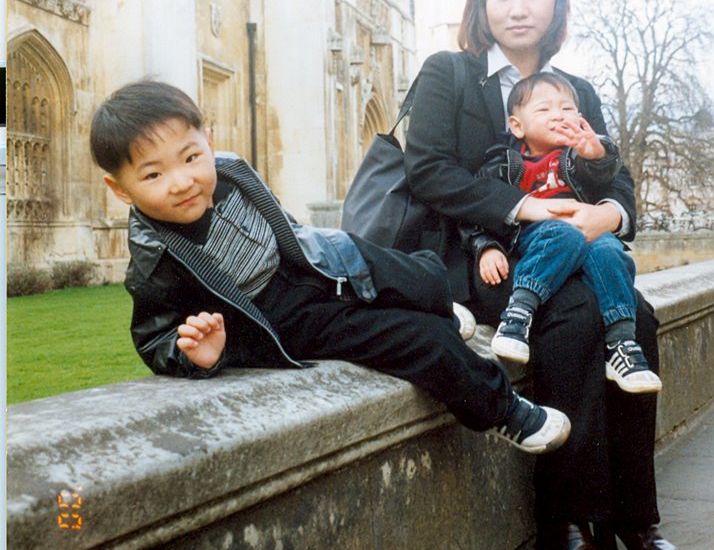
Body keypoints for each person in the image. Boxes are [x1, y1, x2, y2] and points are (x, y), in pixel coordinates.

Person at [404, 0, 700, 550]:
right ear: (482, 3)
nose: (517, 7)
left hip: (580, 247)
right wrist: (523, 209)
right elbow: (426, 172)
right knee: (570, 321)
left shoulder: (577, 90)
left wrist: (607, 215)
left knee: (639, 324)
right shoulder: (449, 76)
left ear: (556, 3)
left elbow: (611, 177)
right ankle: (564, 520)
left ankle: (635, 519)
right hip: (490, 260)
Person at [89, 78, 572, 460]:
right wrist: (199, 353)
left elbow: (278, 222)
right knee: (419, 339)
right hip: (278, 316)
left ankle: (440, 308)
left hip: (302, 264)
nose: (181, 181)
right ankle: (506, 412)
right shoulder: (153, 261)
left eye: (191, 157)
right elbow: (154, 339)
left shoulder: (233, 171)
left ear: (208, 143)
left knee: (415, 271)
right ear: (120, 189)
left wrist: (321, 254)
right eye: (153, 174)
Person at [475, 70, 661, 394]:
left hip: (586, 236)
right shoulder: (503, 163)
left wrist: (597, 154)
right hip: (536, 237)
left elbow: (606, 177)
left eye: (566, 109)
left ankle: (621, 344)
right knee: (566, 235)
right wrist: (486, 246)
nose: (558, 115)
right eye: (544, 110)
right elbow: (480, 209)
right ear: (517, 126)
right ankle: (518, 315)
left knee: (609, 249)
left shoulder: (577, 158)